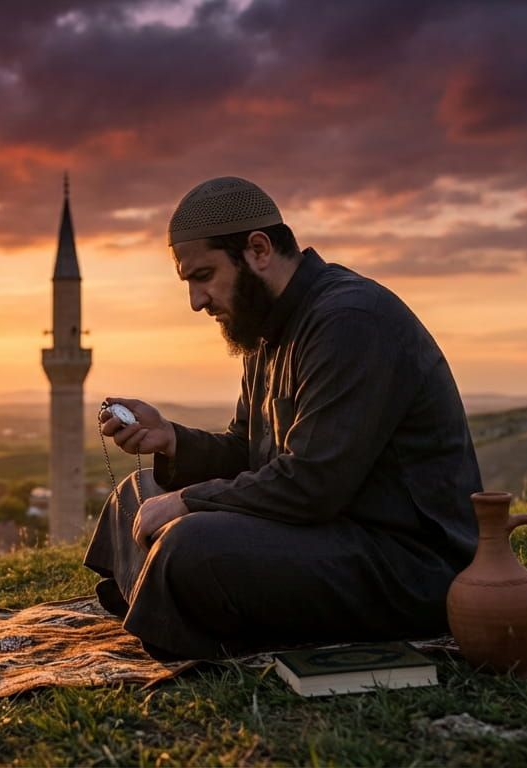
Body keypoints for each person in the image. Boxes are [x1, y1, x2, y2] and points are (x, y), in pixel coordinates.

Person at [84, 176, 482, 660]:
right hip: (323, 532)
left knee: (189, 543)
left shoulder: (351, 320)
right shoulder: (267, 329)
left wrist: (189, 501)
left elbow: (313, 483)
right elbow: (246, 451)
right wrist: (170, 441)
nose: (196, 301)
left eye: (204, 276)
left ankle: (176, 598)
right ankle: (173, 599)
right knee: (137, 494)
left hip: (406, 563)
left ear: (258, 249)